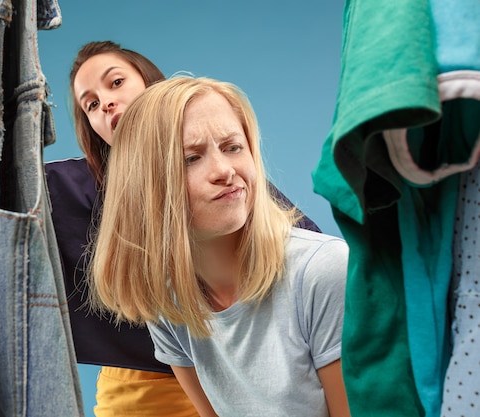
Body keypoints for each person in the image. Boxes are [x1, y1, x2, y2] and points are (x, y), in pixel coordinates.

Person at [45, 41, 321, 416]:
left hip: (235, 377)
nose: (105, 102)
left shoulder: (227, 177)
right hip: (140, 391)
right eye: (91, 104)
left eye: (115, 82)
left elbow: (306, 266)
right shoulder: (65, 187)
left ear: (153, 85)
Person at [89, 76, 350, 417]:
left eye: (232, 147)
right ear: (145, 184)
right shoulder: (169, 302)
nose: (224, 171)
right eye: (191, 158)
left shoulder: (323, 271)